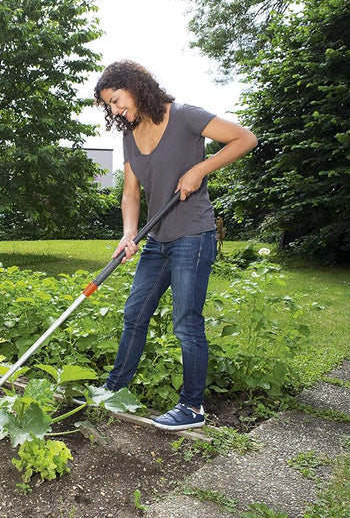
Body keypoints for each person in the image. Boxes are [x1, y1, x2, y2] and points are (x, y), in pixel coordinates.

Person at [94, 60, 257, 431]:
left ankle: (192, 407)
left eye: (117, 100)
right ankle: (114, 389)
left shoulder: (184, 116)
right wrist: (128, 232)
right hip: (156, 239)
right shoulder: (129, 135)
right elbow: (130, 193)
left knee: (186, 323)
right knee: (134, 314)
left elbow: (245, 138)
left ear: (136, 87)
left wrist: (200, 169)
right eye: (110, 106)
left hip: (193, 235)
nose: (116, 110)